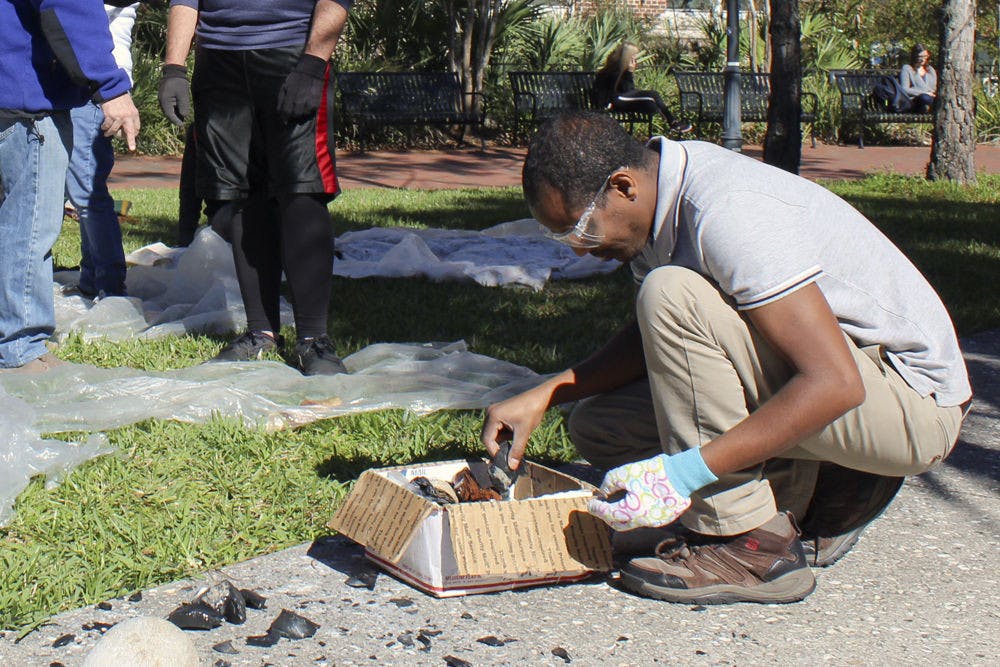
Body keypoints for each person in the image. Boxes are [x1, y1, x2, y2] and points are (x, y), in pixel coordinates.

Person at [480, 112, 970, 605]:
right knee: (601, 426)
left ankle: (753, 546)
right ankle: (818, 495)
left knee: (669, 293)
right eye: (564, 239)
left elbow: (835, 383)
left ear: (622, 186)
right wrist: (552, 390)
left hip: (911, 405)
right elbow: (654, 338)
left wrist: (682, 475)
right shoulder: (658, 202)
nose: (581, 250)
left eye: (580, 229)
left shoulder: (727, 212)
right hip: (847, 385)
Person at [157, 0, 352, 375]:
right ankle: (261, 332)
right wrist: (174, 66)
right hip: (219, 62)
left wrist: (313, 63)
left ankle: (314, 340)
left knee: (302, 189)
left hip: (292, 53)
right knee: (241, 193)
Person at [0, 0, 140, 373]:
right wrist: (111, 86)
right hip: (26, 103)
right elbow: (67, 6)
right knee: (28, 228)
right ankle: (19, 346)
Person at [64, 2, 142, 299]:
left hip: (99, 88)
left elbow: (74, 12)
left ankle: (109, 284)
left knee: (86, 190)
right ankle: (92, 277)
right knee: (82, 189)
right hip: (89, 84)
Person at [592, 42, 692, 135]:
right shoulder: (616, 71)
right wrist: (629, 72)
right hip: (612, 101)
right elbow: (627, 90)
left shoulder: (615, 67)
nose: (635, 58)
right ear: (627, 57)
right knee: (653, 94)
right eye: (633, 56)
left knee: (651, 104)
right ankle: (673, 123)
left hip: (618, 98)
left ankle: (672, 122)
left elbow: (628, 91)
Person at [899, 44, 936, 113]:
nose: (922, 59)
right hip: (915, 101)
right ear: (914, 56)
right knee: (924, 97)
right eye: (920, 57)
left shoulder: (930, 69)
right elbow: (904, 89)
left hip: (931, 99)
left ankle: (933, 109)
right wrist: (924, 93)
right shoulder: (907, 68)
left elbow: (934, 87)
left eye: (925, 56)